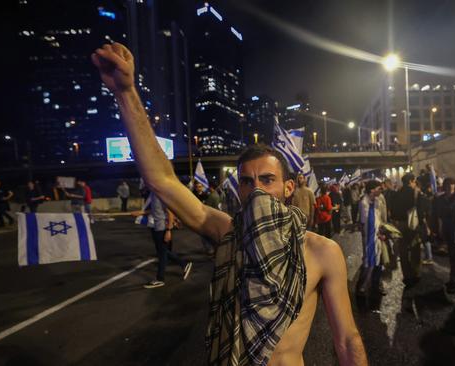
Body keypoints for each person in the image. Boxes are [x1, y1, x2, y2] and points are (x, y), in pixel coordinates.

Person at [92, 41, 366, 365]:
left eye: (267, 179)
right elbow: (162, 182)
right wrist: (126, 93)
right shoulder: (227, 233)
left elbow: (347, 340)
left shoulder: (322, 252)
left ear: (288, 187)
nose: (257, 190)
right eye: (248, 182)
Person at [141, 192, 193, 289]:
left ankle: (160, 279)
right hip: (155, 226)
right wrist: (141, 213)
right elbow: (154, 210)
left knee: (162, 253)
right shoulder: (153, 193)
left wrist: (168, 230)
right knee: (163, 252)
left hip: (162, 228)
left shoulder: (162, 194)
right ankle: (184, 264)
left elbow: (170, 212)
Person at [356, 180, 387, 296]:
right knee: (369, 261)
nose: (380, 190)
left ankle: (375, 285)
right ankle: (362, 287)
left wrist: (382, 232)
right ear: (371, 190)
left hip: (378, 236)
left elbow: (380, 219)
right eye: (378, 188)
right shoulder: (364, 203)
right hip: (370, 237)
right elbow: (366, 223)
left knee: (379, 261)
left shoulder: (379, 200)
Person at [390, 173, 421, 287]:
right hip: (413, 223)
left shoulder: (397, 193)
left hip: (400, 225)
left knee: (403, 250)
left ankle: (407, 276)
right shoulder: (415, 193)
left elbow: (392, 211)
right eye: (414, 181)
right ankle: (415, 273)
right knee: (415, 248)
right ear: (411, 181)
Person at [434, 178, 455, 292]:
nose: (450, 186)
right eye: (448, 184)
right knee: (452, 257)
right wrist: (440, 228)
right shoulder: (441, 199)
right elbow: (439, 215)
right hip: (447, 230)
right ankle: (454, 280)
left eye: (452, 184)